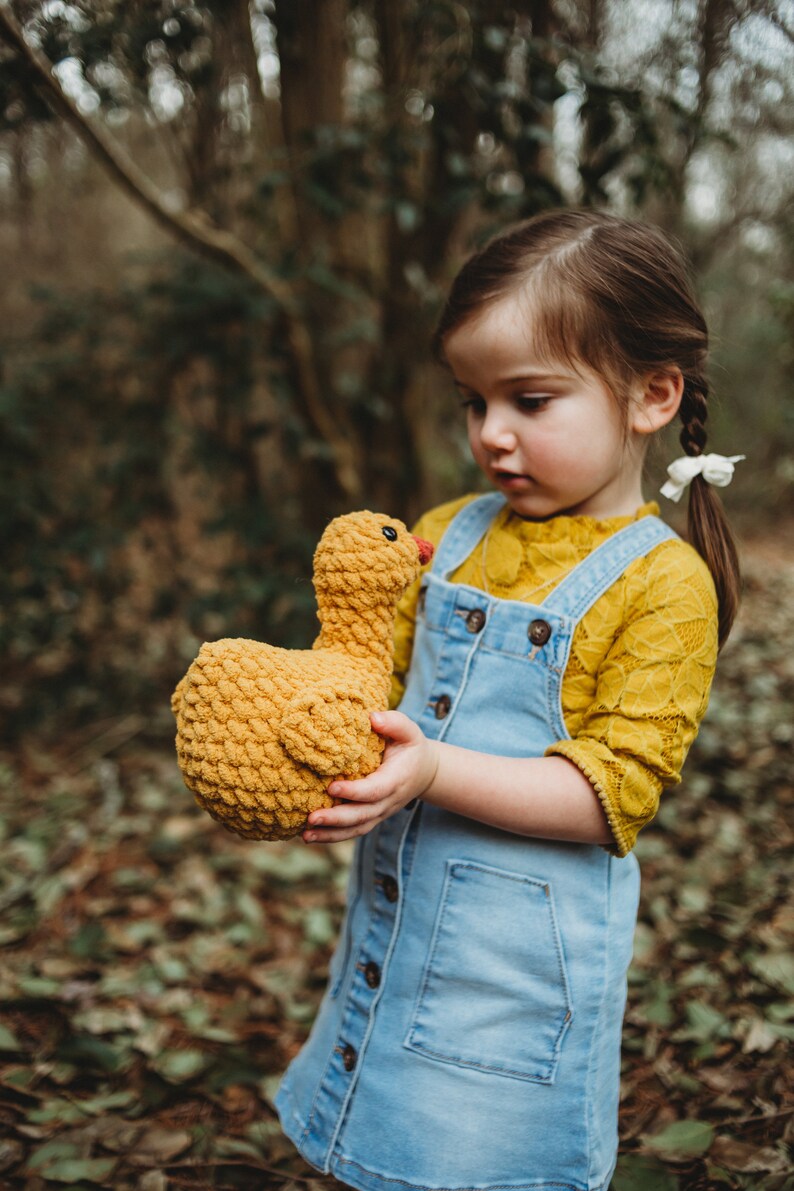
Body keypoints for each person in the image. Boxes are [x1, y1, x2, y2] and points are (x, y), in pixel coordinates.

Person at [274, 209, 742, 1191]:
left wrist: (432, 770)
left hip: (513, 985)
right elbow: (365, 671)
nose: (489, 434)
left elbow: (611, 798)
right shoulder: (448, 531)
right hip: (391, 939)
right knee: (377, 1145)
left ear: (650, 395)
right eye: (470, 401)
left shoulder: (663, 588)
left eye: (529, 400)